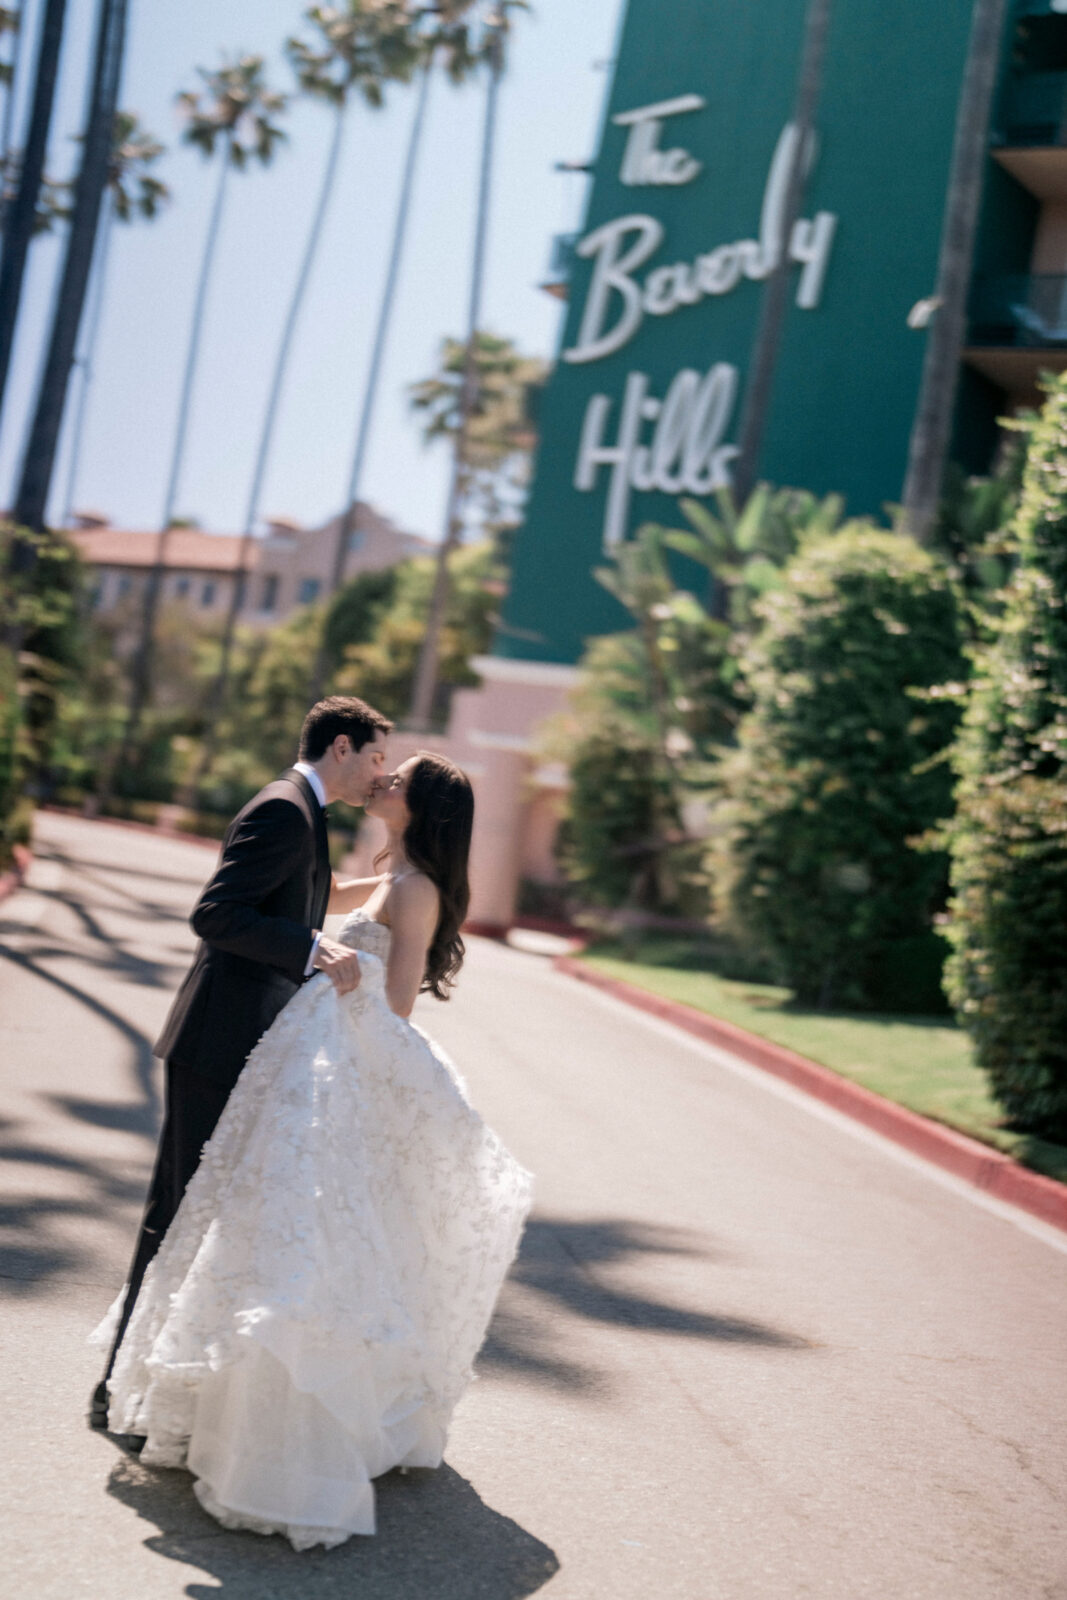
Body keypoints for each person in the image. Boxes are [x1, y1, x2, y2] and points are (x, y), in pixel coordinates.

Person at [96, 751, 533, 1548]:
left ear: (423, 805)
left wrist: (334, 986)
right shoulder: (386, 867)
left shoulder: (416, 887)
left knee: (306, 1239)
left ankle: (290, 1442)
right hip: (305, 1043)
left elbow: (396, 1004)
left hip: (340, 1058)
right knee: (257, 1219)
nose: (384, 783)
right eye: (382, 772)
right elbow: (321, 896)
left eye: (396, 781)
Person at [90, 696, 392, 1433]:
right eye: (378, 758)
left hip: (240, 1046)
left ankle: (142, 1382)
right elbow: (217, 914)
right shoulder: (286, 809)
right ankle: (114, 1390)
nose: (380, 775)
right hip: (214, 1042)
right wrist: (310, 949)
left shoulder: (306, 813)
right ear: (344, 747)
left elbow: (294, 901)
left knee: (196, 1213)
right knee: (177, 1213)